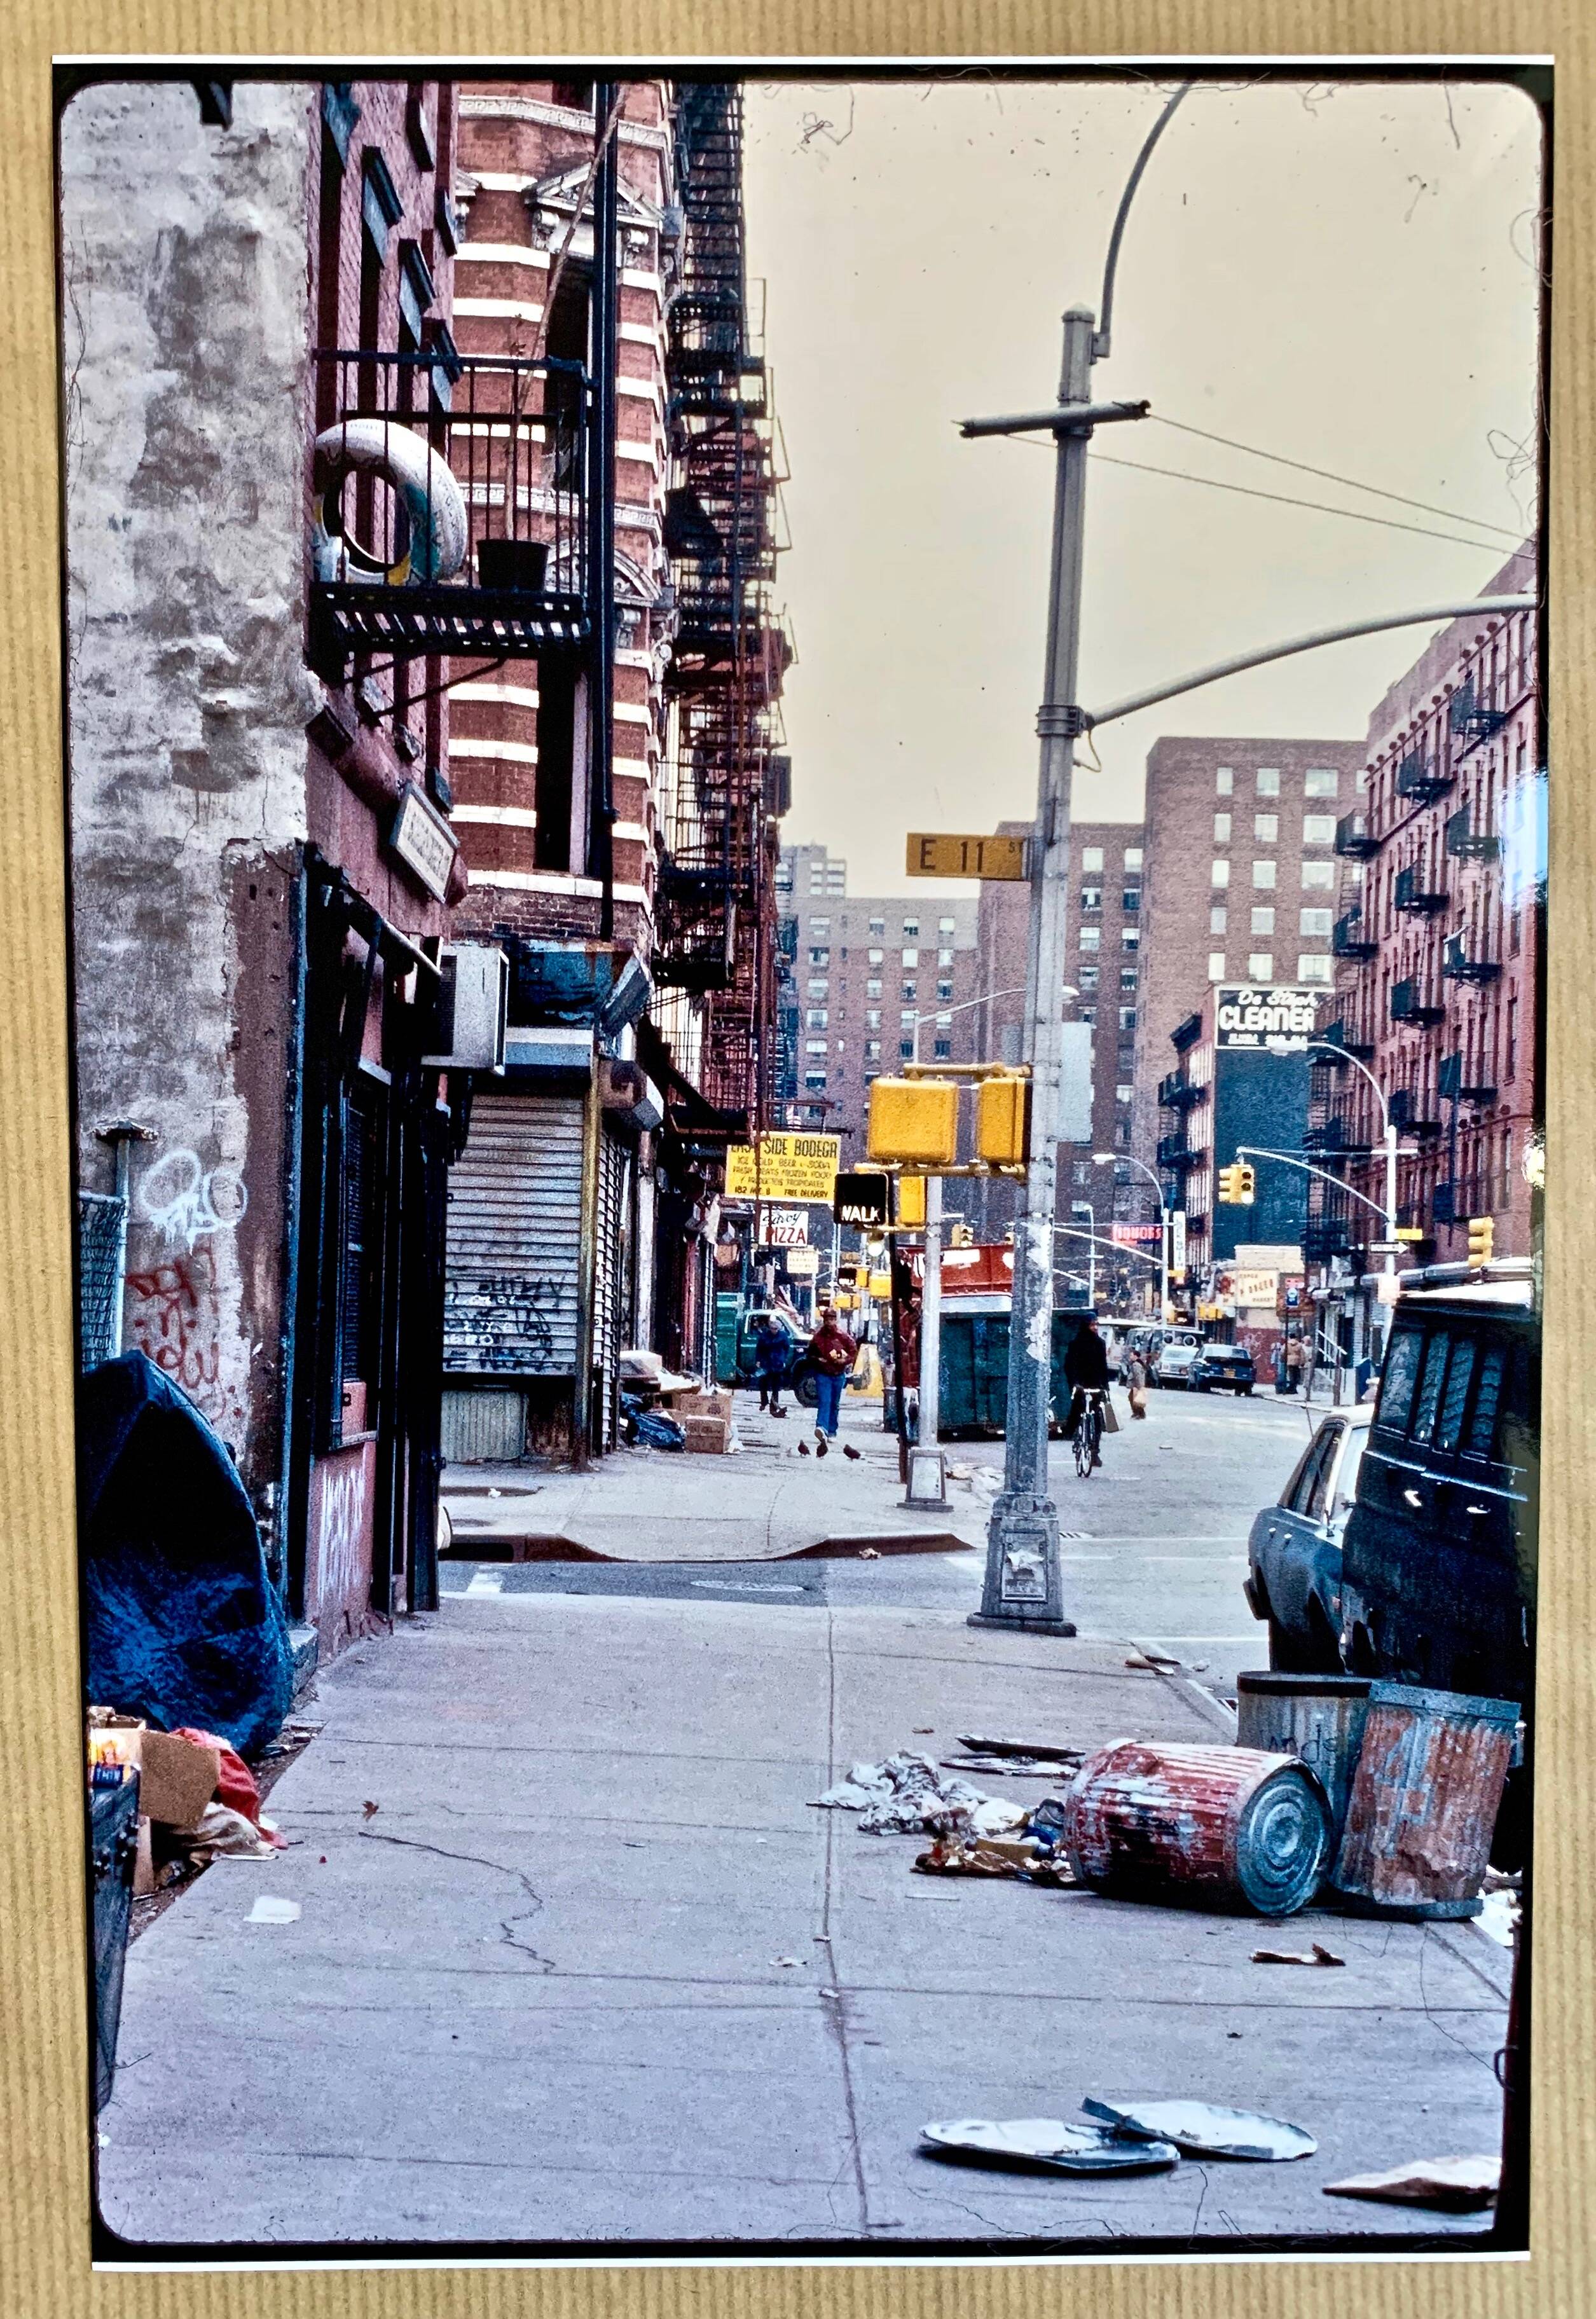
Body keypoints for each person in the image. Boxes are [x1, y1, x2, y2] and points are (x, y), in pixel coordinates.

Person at [807, 1305, 858, 1457]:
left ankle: (832, 1430)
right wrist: (818, 1360)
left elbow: (853, 1352)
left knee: (834, 1403)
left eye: (832, 1319)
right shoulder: (818, 1338)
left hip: (838, 1374)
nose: (829, 1322)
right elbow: (810, 1355)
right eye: (827, 1319)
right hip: (823, 1374)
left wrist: (844, 1361)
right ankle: (821, 1427)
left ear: (836, 1320)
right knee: (825, 1401)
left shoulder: (843, 1337)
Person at [1063, 1315, 1112, 1466]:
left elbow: (1103, 1367)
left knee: (1097, 1418)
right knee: (1078, 1410)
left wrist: (1105, 1388)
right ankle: (1074, 1435)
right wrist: (1075, 1383)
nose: (1095, 1328)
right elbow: (1070, 1365)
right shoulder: (1076, 1344)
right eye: (1092, 1325)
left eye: (1096, 1325)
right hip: (1080, 1384)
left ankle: (1095, 1451)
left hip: (1096, 1385)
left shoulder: (1100, 1344)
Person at [752, 1312, 788, 1418]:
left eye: (776, 1329)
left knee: (776, 1387)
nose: (774, 1331)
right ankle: (764, 1401)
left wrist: (783, 1360)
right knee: (763, 1384)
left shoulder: (783, 1336)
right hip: (766, 1363)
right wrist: (758, 1360)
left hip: (777, 1364)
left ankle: (774, 1406)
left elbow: (786, 1348)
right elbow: (759, 1349)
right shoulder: (764, 1336)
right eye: (772, 1328)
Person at [1125, 1344, 1149, 1419]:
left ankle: (1138, 1413)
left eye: (1131, 1355)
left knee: (1135, 1399)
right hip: (1136, 1385)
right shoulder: (1137, 1364)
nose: (1130, 1357)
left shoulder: (1136, 1365)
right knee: (1134, 1398)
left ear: (1136, 1356)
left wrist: (1140, 1386)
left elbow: (1138, 1376)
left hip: (1136, 1386)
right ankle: (1139, 1413)